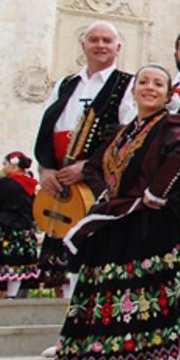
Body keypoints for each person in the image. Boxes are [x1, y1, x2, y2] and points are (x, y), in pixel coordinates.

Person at [52, 64, 180, 360]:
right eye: (143, 82)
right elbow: (98, 166)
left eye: (158, 84)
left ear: (169, 93)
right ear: (134, 91)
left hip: (150, 231)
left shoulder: (173, 125)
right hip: (117, 229)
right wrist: (108, 196)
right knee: (128, 316)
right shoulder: (119, 132)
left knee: (147, 316)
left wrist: (156, 192)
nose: (150, 88)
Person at [33, 22, 135, 293]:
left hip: (96, 181)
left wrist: (88, 166)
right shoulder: (66, 84)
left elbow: (127, 134)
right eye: (94, 39)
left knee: (88, 246)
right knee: (60, 249)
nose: (100, 45)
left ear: (118, 47)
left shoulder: (127, 84)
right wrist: (45, 169)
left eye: (107, 40)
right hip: (60, 179)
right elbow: (47, 126)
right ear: (83, 45)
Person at [0, 153, 40, 296]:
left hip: (5, 228)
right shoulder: (30, 184)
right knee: (18, 266)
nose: (4, 167)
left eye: (5, 164)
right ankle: (12, 295)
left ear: (14, 165)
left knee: (4, 262)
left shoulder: (6, 183)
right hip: (24, 229)